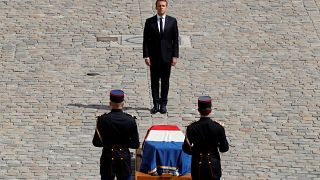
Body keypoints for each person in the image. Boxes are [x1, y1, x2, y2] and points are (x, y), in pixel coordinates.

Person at [92, 89, 140, 180]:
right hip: (124, 157)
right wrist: (124, 144)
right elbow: (135, 144)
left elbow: (96, 142)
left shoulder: (103, 119)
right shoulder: (130, 120)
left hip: (108, 157)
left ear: (110, 103)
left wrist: (107, 143)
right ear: (123, 103)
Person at [143, 0, 179, 114]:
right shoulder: (149, 22)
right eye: (159, 6)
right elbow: (145, 41)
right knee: (154, 82)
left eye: (163, 6)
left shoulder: (172, 21)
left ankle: (163, 104)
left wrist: (175, 56)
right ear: (156, 7)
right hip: (154, 57)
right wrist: (146, 56)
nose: (161, 8)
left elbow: (175, 40)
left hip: (167, 57)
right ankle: (155, 104)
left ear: (166, 7)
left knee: (165, 82)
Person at [182, 96, 229, 180]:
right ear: (210, 110)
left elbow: (186, 149)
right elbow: (224, 148)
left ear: (199, 110)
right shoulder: (218, 128)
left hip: (197, 166)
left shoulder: (192, 128)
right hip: (213, 166)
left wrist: (196, 150)